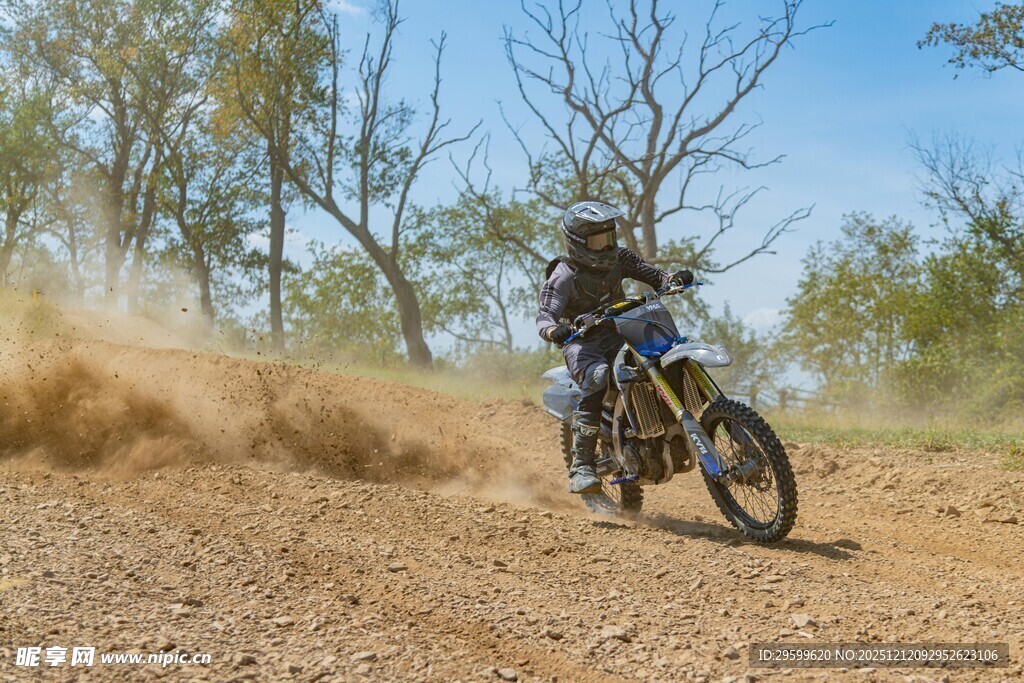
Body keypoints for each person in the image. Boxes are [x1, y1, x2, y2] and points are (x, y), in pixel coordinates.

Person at [537, 200, 693, 494]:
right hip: (583, 342)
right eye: (598, 241)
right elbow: (546, 315)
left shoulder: (621, 258)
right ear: (577, 242)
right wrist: (554, 329)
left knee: (667, 354)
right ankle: (582, 465)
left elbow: (653, 274)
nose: (606, 246)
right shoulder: (564, 274)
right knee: (597, 378)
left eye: (609, 237)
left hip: (622, 329)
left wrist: (671, 281)